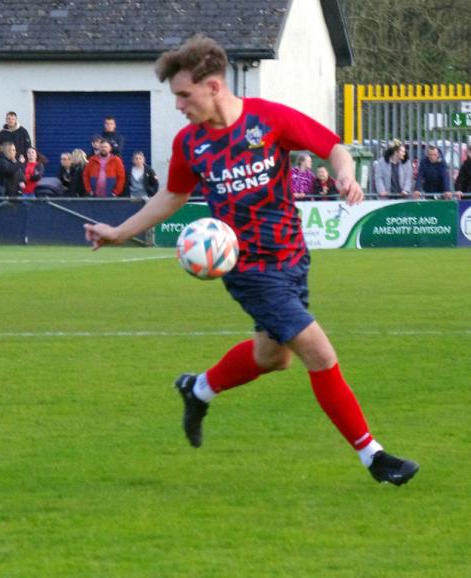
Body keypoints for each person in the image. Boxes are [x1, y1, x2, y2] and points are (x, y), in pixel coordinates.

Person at [83, 35, 418, 486]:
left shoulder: (267, 119)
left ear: (214, 86)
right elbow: (173, 195)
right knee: (319, 353)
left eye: (184, 95)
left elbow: (332, 146)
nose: (179, 105)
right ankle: (374, 457)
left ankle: (197, 388)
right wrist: (121, 232)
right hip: (249, 270)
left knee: (272, 357)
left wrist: (344, 174)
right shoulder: (189, 145)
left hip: (292, 257)